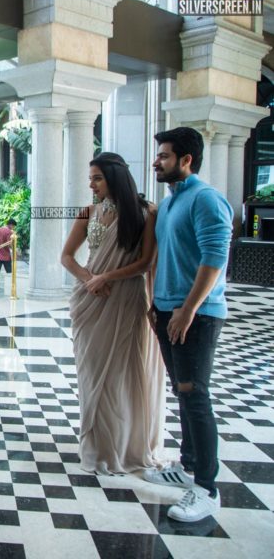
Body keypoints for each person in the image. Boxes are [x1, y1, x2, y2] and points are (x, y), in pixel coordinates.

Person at [144, 127, 232, 523]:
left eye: (163, 156)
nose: (156, 162)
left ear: (186, 160)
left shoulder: (207, 199)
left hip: (196, 314)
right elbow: (162, 256)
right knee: (182, 391)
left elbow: (215, 258)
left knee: (196, 395)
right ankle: (188, 462)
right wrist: (157, 305)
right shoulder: (168, 204)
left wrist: (187, 309)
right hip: (167, 311)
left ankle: (208, 488)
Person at [61, 152, 165, 475]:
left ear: (114, 178)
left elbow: (146, 262)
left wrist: (109, 277)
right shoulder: (88, 212)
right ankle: (97, 447)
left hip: (125, 299)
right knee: (91, 374)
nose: (91, 184)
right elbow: (66, 256)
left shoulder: (146, 213)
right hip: (90, 301)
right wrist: (90, 279)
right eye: (90, 178)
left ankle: (120, 447)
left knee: (120, 373)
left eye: (97, 178)